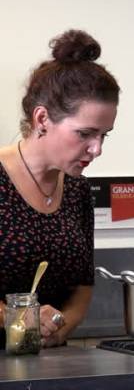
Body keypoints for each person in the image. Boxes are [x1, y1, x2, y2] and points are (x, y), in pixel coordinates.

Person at [0, 29, 120, 347]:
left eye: (104, 135)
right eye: (85, 134)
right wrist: (15, 316)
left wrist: (58, 329)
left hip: (49, 363)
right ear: (42, 119)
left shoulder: (77, 190)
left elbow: (83, 284)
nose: (97, 149)